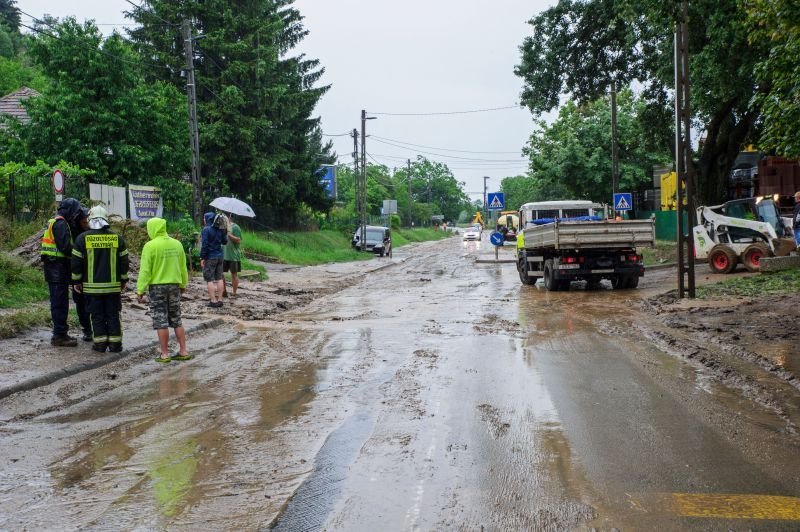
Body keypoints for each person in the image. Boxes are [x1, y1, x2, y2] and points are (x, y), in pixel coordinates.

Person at [71, 206, 129, 353]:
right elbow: (124, 262)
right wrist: (123, 280)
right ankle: (116, 345)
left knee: (96, 316)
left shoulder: (82, 238)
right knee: (113, 314)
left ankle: (100, 345)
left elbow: (76, 262)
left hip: (91, 288)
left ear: (90, 219)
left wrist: (76, 281)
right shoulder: (118, 239)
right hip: (113, 287)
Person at [136, 217, 190, 363]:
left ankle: (165, 354)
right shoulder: (177, 244)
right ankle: (183, 351)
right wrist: (183, 284)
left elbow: (145, 271)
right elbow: (183, 267)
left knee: (161, 320)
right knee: (176, 319)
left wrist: (140, 289)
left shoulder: (150, 246)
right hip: (174, 286)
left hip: (157, 287)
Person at [40, 198, 92, 346]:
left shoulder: (58, 221)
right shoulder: (61, 223)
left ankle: (61, 334)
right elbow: (65, 247)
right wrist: (80, 252)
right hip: (57, 269)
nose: (76, 216)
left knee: (60, 302)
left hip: (56, 268)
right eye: (75, 212)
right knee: (59, 304)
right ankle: (60, 336)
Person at [200, 212, 227, 308]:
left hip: (210, 257)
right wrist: (225, 231)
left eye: (204, 218)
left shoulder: (206, 229)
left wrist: (202, 257)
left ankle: (213, 300)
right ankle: (220, 300)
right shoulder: (220, 228)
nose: (203, 219)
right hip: (220, 256)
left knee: (209, 279)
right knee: (219, 278)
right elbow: (225, 241)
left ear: (207, 219)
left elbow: (205, 245)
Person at [222, 213, 242, 298]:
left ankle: (234, 293)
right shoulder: (223, 227)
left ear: (229, 217)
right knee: (220, 273)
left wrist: (229, 235)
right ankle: (224, 291)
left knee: (234, 274)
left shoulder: (235, 227)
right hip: (224, 254)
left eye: (224, 217)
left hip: (233, 255)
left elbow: (238, 240)